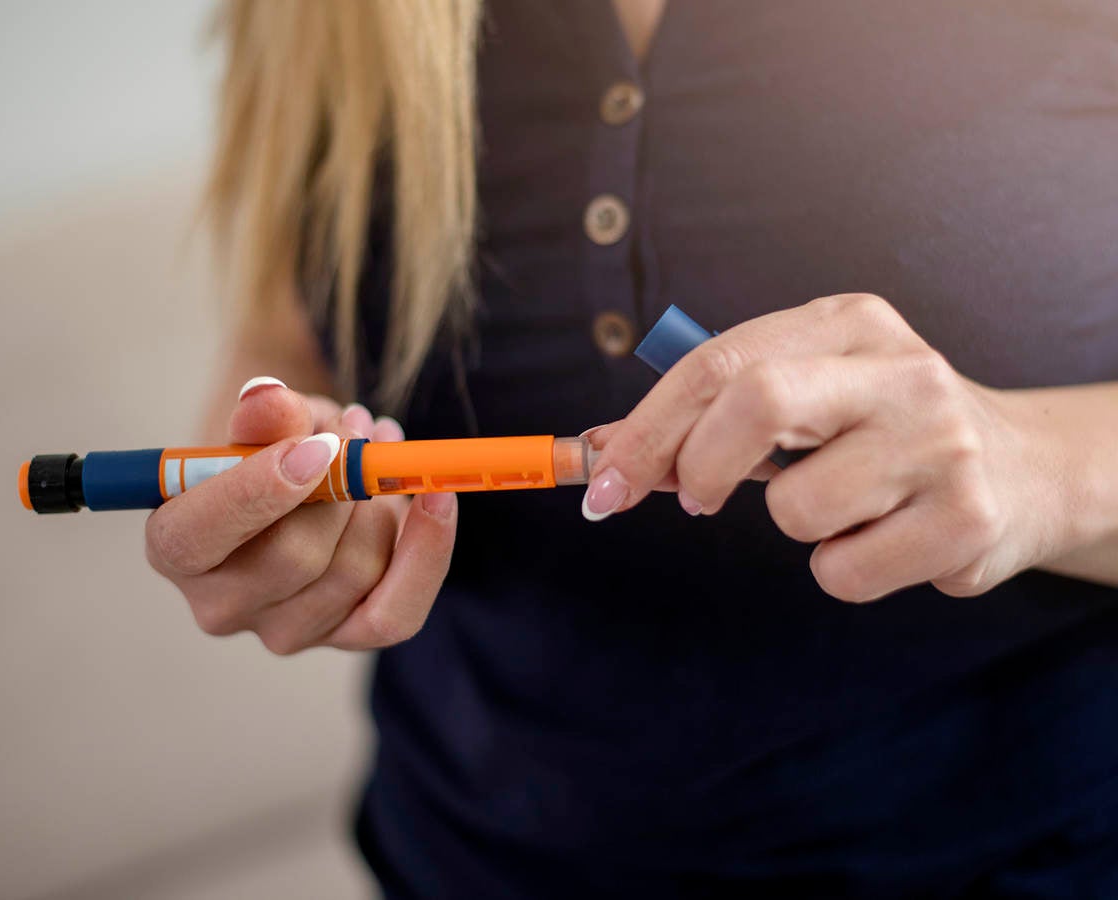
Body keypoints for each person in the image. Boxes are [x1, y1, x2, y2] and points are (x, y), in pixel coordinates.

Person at [145, 1, 1118, 895]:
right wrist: (278, 496)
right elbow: (282, 343)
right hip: (466, 855)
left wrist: (1033, 465)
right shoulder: (325, 20)